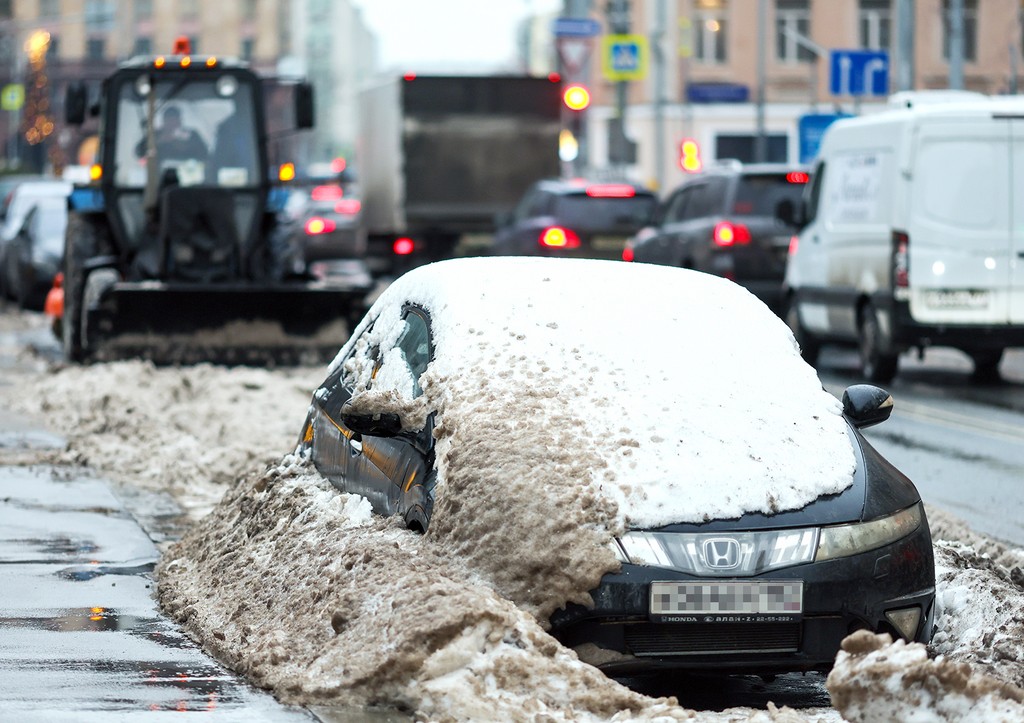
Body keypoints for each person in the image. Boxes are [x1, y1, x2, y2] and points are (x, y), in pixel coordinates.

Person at [138, 106, 208, 164]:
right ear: (164, 122)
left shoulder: (191, 135)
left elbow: (204, 155)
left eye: (175, 121)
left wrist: (183, 146)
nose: (172, 125)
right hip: (157, 178)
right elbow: (139, 152)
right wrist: (160, 141)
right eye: (169, 121)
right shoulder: (155, 135)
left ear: (180, 121)